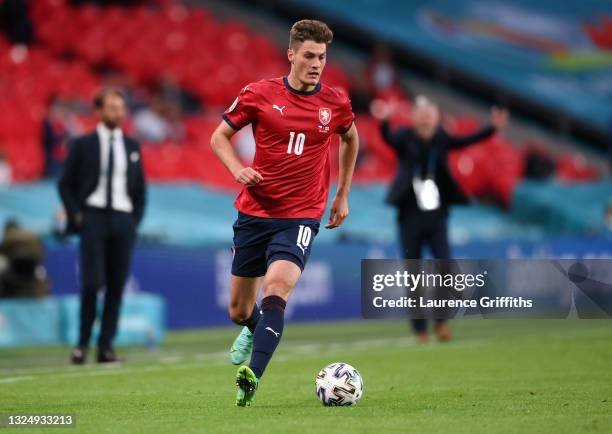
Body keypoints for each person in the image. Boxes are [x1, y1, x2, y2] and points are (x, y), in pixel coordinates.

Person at [210, 19, 359, 407]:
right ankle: (255, 327)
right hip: (255, 213)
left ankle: (252, 376)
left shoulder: (335, 103)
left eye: (322, 57)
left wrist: (341, 194)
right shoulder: (259, 94)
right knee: (239, 309)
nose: (316, 64)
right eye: (309, 56)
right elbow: (219, 137)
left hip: (301, 215)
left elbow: (351, 137)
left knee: (276, 288)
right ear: (291, 54)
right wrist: (236, 170)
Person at [380, 96, 508, 342]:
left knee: (446, 267)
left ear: (437, 116)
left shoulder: (441, 138)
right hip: (409, 215)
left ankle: (441, 322)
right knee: (413, 273)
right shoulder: (405, 137)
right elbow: (388, 139)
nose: (426, 117)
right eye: (422, 112)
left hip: (437, 215)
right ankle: (419, 329)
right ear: (414, 116)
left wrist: (492, 128)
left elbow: (468, 140)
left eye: (431, 112)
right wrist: (385, 122)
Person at [58, 88, 146, 364]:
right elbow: (65, 184)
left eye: (121, 108)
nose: (118, 113)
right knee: (92, 283)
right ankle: (82, 343)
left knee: (116, 285)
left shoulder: (132, 146)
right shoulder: (83, 144)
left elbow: (140, 189)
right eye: (112, 108)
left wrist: (133, 221)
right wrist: (76, 215)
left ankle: (105, 346)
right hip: (93, 217)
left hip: (122, 219)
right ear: (98, 111)